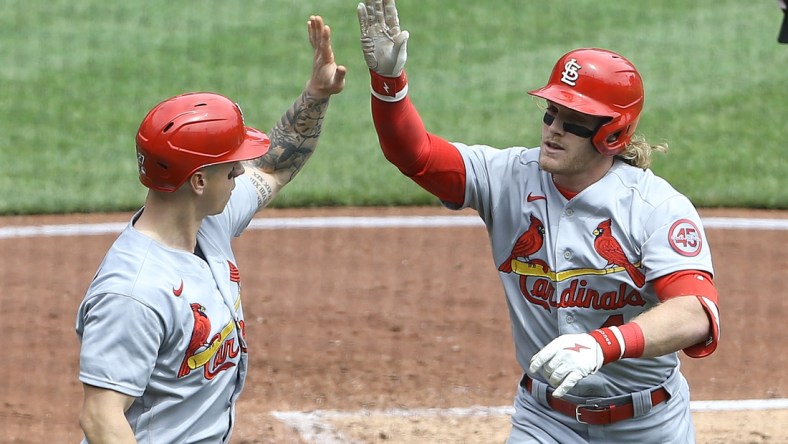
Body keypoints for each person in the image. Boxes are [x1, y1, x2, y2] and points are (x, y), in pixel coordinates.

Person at [356, 1, 720, 442]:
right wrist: (389, 85)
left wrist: (603, 345)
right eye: (551, 113)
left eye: (574, 122)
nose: (553, 129)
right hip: (544, 420)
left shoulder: (655, 207)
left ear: (613, 133)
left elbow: (695, 314)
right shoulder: (507, 177)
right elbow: (415, 154)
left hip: (649, 425)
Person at [75, 16, 345, 443]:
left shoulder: (208, 223)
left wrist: (317, 94)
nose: (242, 169)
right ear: (198, 181)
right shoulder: (134, 291)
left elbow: (273, 165)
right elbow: (101, 418)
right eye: (231, 164)